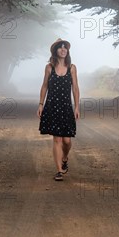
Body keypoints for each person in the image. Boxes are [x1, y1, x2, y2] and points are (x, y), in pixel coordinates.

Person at [37, 38, 80, 181]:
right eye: (60, 47)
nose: (63, 50)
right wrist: (41, 104)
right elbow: (44, 86)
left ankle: (65, 158)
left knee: (67, 141)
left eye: (65, 48)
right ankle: (59, 171)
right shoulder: (49, 67)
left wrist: (77, 107)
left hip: (66, 107)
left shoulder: (72, 67)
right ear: (55, 51)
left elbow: (75, 88)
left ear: (67, 51)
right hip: (52, 107)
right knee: (57, 139)